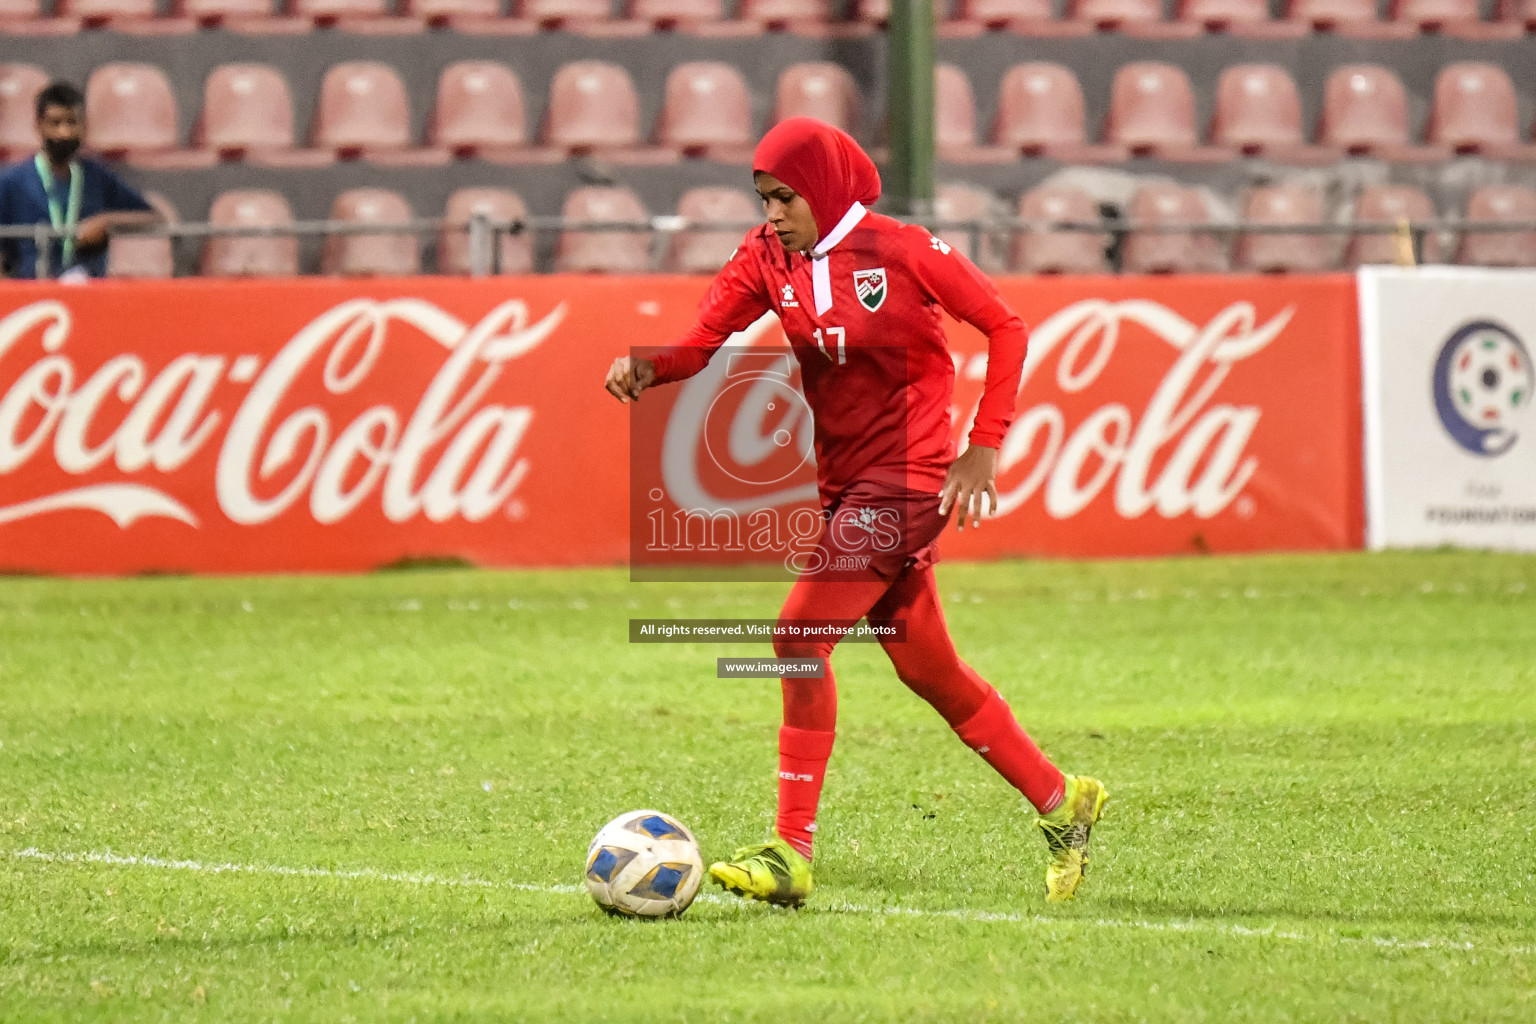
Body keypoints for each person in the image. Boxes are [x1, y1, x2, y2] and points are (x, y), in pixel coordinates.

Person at [604, 117, 1106, 906]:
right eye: (763, 197)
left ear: (827, 189)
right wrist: (648, 368)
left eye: (786, 197)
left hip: (908, 483)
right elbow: (700, 346)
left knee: (797, 637)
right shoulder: (767, 259)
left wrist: (984, 445)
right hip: (844, 486)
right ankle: (1061, 800)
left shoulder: (902, 250)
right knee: (928, 668)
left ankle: (790, 853)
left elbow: (1006, 327)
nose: (772, 213)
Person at [0, 80, 164, 281]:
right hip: (33, 293)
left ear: (84, 125)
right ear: (38, 125)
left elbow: (153, 219)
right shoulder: (11, 181)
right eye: (56, 123)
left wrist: (107, 221)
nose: (64, 132)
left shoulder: (96, 175)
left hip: (88, 291)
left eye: (72, 122)